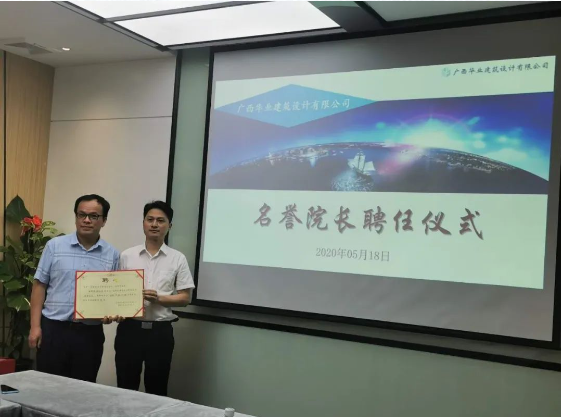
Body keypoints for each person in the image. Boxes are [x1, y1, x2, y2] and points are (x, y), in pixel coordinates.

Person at [29, 194, 120, 382]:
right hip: (54, 330)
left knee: (83, 389)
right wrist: (35, 327)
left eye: (93, 216)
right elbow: (39, 286)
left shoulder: (112, 255)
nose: (86, 220)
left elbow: (111, 296)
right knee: (47, 387)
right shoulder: (54, 246)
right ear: (76, 217)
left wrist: (110, 313)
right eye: (81, 215)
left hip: (89, 335)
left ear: (104, 221)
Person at [115, 200, 194, 396]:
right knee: (125, 388)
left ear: (169, 225)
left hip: (160, 333)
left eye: (160, 220)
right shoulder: (127, 256)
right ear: (143, 223)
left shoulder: (178, 258)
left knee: (157, 389)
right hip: (129, 330)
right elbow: (116, 292)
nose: (154, 224)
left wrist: (159, 298)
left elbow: (185, 298)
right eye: (150, 219)